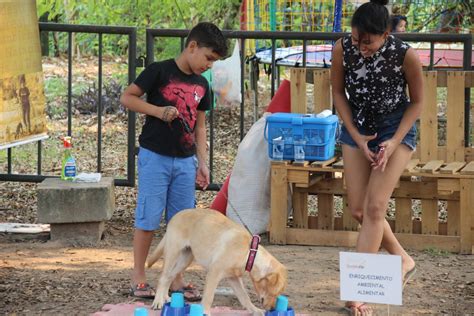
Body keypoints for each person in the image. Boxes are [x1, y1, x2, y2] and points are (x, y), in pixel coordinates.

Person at [120, 22, 228, 300]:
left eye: (214, 61)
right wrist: (157, 111)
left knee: (183, 223)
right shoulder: (159, 70)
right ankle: (139, 276)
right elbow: (128, 98)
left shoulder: (203, 86)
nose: (210, 65)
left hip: (185, 162)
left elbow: (200, 127)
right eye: (209, 58)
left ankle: (177, 277)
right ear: (192, 46)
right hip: (154, 157)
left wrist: (202, 163)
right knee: (148, 218)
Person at [331, 0, 422, 315]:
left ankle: (357, 294)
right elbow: (338, 94)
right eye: (357, 39)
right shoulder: (343, 48)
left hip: (395, 128)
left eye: (367, 41)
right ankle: (403, 259)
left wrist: (394, 142)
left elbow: (418, 102)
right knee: (358, 208)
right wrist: (355, 135)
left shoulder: (405, 55)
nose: (360, 47)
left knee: (374, 208)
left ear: (385, 34)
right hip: (358, 127)